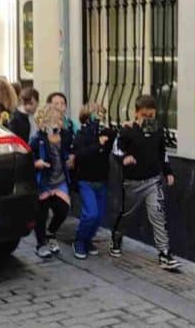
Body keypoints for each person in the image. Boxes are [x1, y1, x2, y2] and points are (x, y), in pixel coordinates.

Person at [110, 95, 180, 270]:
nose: (148, 119)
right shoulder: (127, 131)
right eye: (144, 115)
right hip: (132, 183)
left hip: (152, 180)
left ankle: (164, 253)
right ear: (136, 114)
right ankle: (116, 238)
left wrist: (168, 171)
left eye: (151, 115)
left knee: (157, 214)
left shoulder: (158, 131)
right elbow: (116, 148)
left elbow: (162, 152)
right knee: (126, 215)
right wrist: (124, 158)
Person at [72, 102, 116, 259]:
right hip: (86, 181)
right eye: (96, 116)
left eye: (102, 116)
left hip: (101, 180)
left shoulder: (104, 133)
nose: (99, 119)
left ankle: (87, 239)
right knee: (90, 214)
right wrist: (98, 143)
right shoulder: (81, 135)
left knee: (98, 217)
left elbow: (113, 143)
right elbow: (80, 154)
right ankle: (79, 240)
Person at [29, 105, 72, 258]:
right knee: (41, 215)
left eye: (60, 119)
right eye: (54, 120)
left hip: (60, 181)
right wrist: (36, 163)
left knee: (63, 210)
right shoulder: (37, 139)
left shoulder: (65, 136)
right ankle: (41, 244)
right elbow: (28, 156)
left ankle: (51, 233)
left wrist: (70, 158)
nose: (58, 123)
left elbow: (70, 149)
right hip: (44, 183)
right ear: (45, 123)